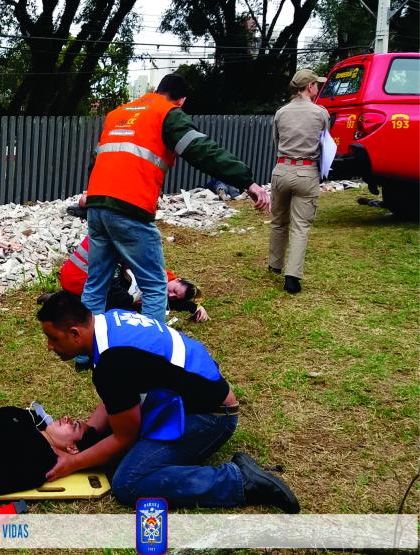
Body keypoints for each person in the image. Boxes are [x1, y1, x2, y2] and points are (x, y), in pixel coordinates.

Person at [35, 291, 300, 513]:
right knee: (113, 453)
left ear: (74, 333)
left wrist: (73, 463)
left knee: (128, 482)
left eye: (53, 338)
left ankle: (239, 480)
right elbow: (117, 400)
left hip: (212, 418)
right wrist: (90, 433)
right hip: (203, 397)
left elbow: (124, 437)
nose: (49, 346)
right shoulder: (109, 322)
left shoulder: (112, 362)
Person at [83, 73, 270, 324]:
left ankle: (86, 345)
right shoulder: (167, 113)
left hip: (97, 205)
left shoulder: (118, 114)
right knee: (154, 285)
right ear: (181, 100)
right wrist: (246, 181)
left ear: (157, 90)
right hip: (130, 208)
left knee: (95, 285)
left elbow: (97, 160)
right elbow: (202, 150)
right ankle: (151, 346)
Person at [269, 68, 330, 294]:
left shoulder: (281, 112)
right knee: (300, 226)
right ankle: (292, 278)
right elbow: (325, 144)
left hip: (281, 170)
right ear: (309, 86)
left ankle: (274, 264)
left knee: (278, 221)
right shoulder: (320, 113)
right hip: (306, 171)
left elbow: (276, 143)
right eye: (316, 84)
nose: (317, 88)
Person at [60, 235, 209, 321]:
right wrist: (129, 303)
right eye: (174, 291)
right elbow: (116, 290)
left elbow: (167, 300)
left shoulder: (119, 234)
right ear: (177, 280)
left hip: (77, 278)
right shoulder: (150, 268)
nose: (170, 295)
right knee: (122, 309)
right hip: (80, 282)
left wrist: (194, 306)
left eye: (175, 296)